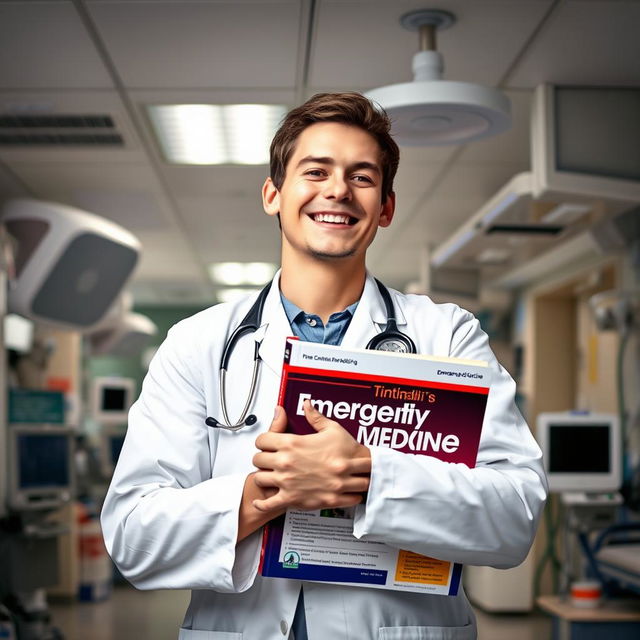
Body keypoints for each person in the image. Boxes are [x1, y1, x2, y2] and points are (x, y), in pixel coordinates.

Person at [101, 92, 547, 639]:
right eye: (316, 170)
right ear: (273, 194)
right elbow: (131, 536)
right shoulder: (198, 344)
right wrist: (267, 491)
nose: (337, 189)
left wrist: (366, 477)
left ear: (385, 207)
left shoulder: (446, 337)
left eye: (362, 176)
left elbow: (515, 518)